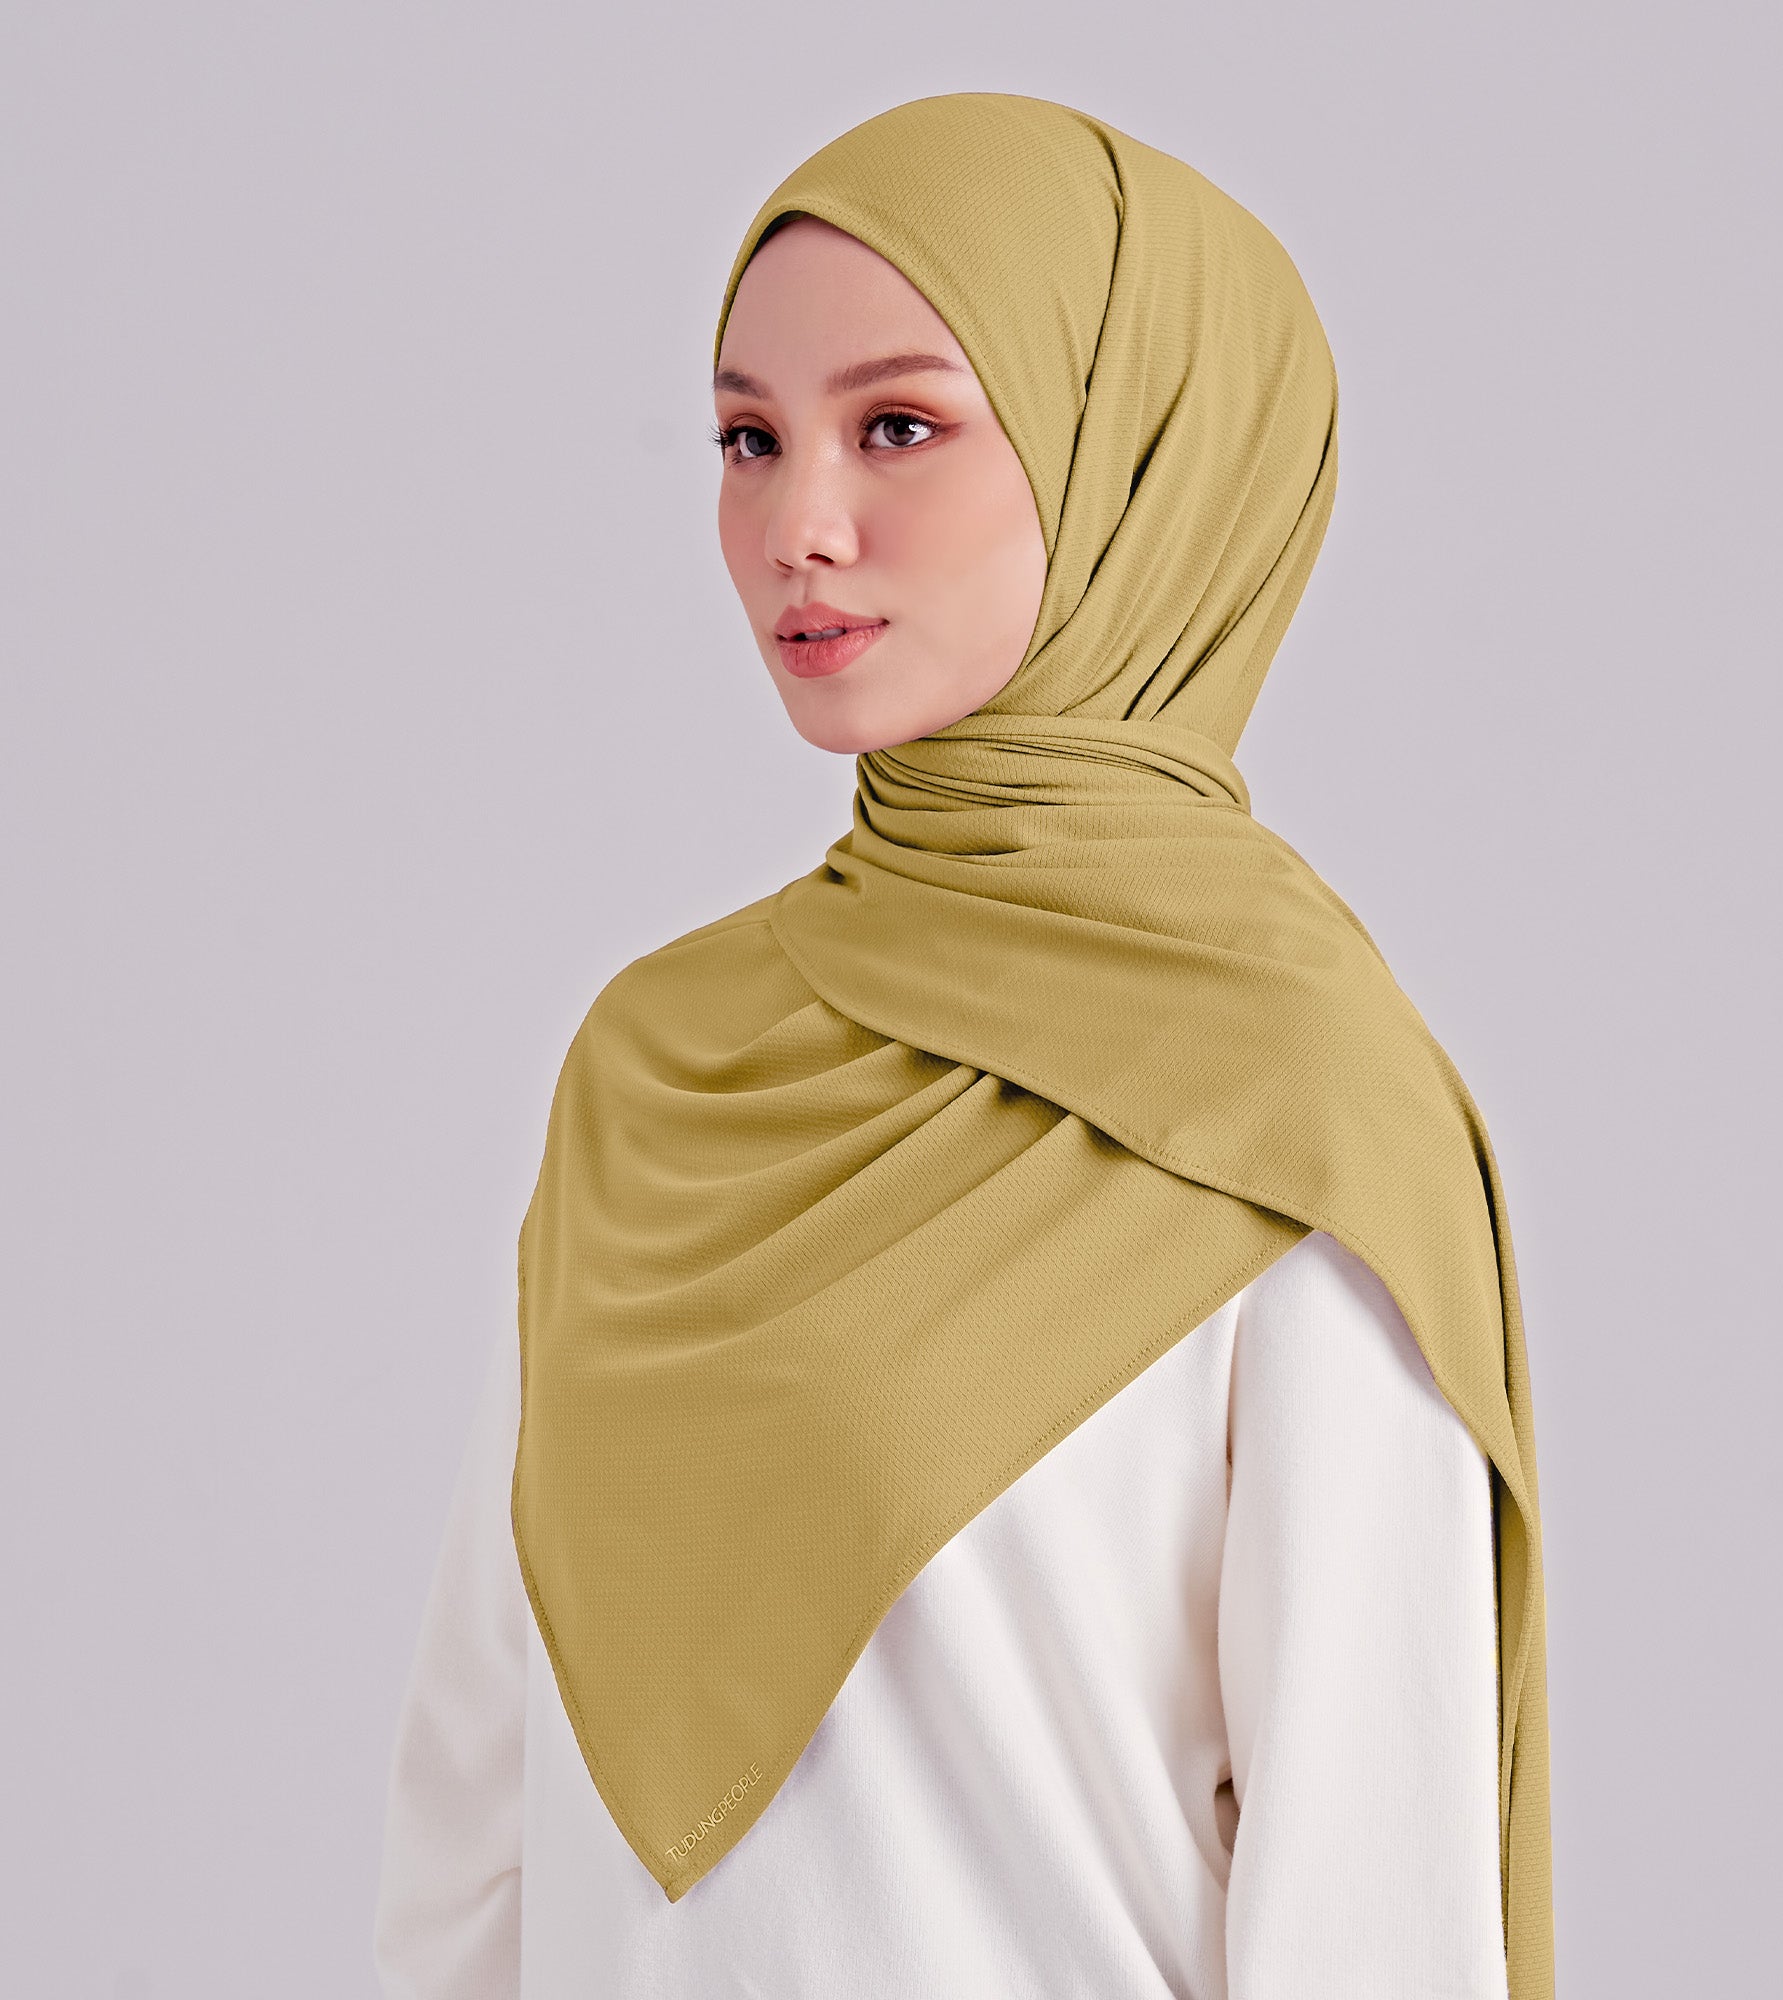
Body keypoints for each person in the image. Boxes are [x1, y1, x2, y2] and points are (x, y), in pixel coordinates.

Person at [374, 92, 1550, 1999]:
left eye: (899, 427)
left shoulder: (1296, 1113)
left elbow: (1372, 1905)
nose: (798, 526)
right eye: (749, 439)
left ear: (1139, 459)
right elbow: (480, 1811)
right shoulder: (656, 1068)